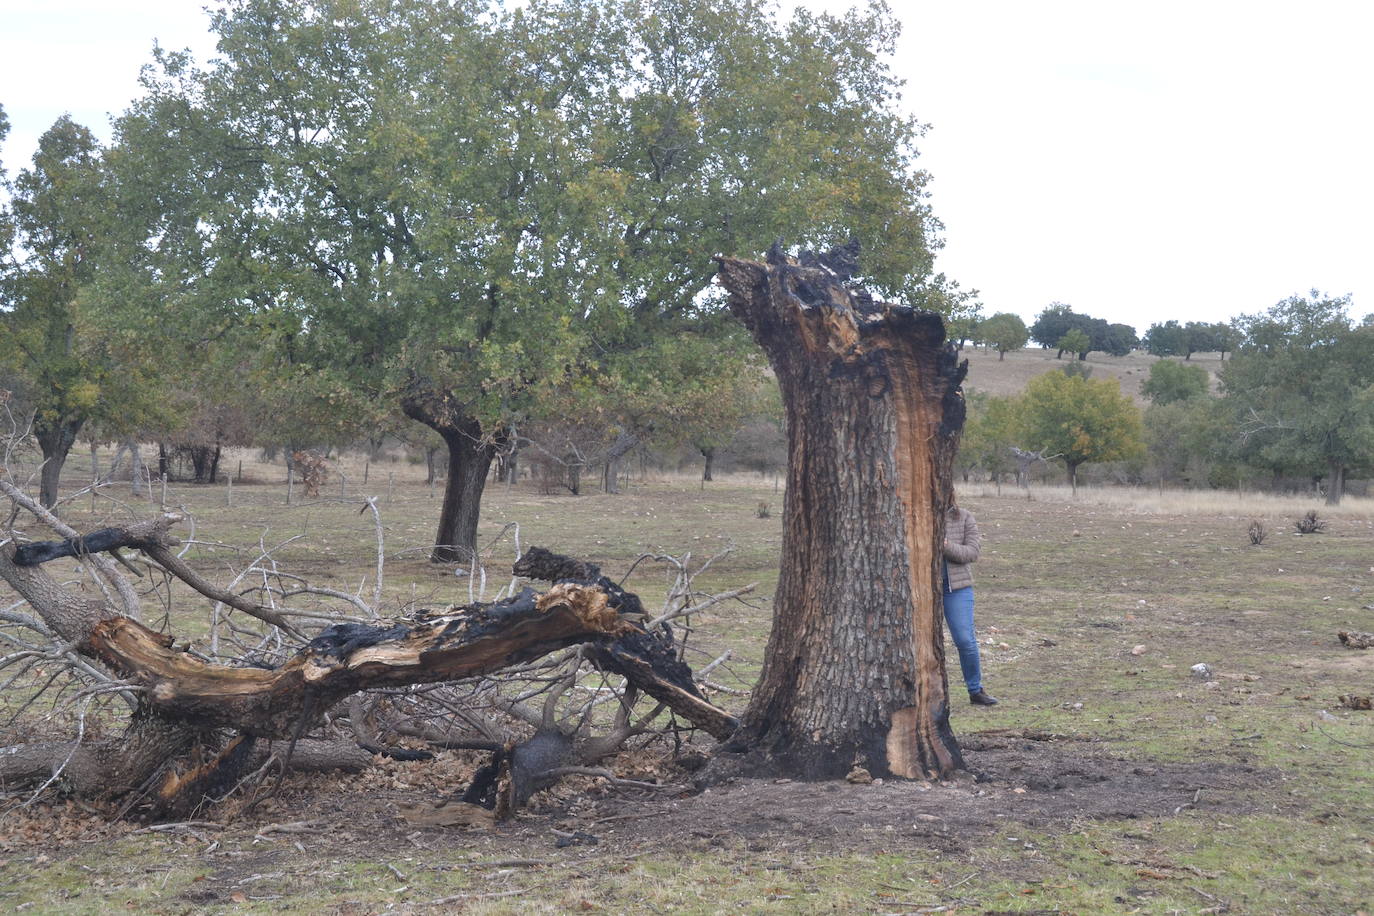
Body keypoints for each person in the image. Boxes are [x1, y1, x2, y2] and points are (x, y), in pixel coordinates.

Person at [943, 502, 998, 706]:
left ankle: (975, 690)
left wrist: (945, 545)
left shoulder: (964, 517)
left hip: (956, 589)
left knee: (965, 640)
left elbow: (972, 553)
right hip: (920, 589)